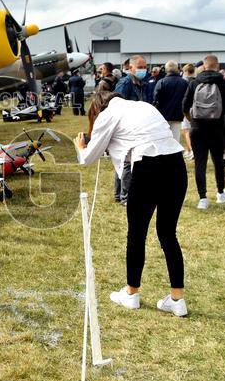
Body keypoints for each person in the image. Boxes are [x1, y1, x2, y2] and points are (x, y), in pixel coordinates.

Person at [76, 90, 189, 316]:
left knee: (136, 234)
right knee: (168, 234)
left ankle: (131, 293)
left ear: (97, 108)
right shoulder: (143, 106)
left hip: (148, 166)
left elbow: (88, 158)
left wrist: (80, 147)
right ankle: (177, 299)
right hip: (176, 164)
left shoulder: (108, 114)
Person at [182, 54, 225, 209]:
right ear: (217, 66)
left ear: (204, 66)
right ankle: (220, 193)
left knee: (200, 163)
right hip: (217, 128)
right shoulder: (224, 83)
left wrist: (192, 120)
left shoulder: (194, 82)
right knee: (218, 161)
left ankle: (203, 198)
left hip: (198, 128)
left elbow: (184, 106)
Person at [111, 55, 148, 203]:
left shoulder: (141, 83)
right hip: (126, 128)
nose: (143, 69)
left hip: (137, 126)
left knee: (127, 161)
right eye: (140, 66)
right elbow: (116, 104)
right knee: (126, 162)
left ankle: (120, 194)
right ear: (130, 67)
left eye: (145, 67)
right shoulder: (125, 83)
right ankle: (125, 196)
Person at [152, 60, 188, 144]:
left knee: (163, 138)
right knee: (175, 138)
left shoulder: (161, 82)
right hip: (178, 115)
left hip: (163, 115)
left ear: (166, 69)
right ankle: (175, 156)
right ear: (177, 69)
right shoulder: (184, 82)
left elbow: (156, 99)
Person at [179, 64, 196, 160]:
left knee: (186, 130)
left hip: (187, 108)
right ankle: (192, 150)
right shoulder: (197, 81)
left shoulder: (184, 82)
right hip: (196, 108)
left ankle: (191, 151)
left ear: (185, 72)